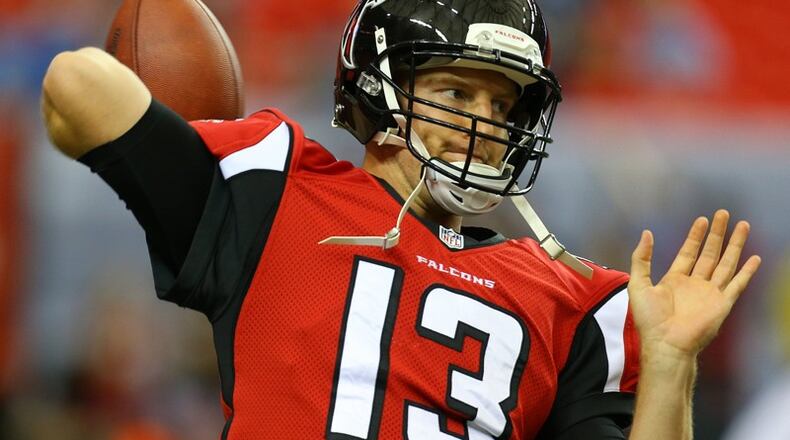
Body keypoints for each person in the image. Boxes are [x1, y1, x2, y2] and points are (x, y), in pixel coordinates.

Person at [41, 0, 761, 438]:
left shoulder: (569, 302)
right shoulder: (276, 192)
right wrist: (185, 133)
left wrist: (670, 365)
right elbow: (76, 85)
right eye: (456, 93)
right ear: (378, 89)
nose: (486, 125)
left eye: (502, 105)